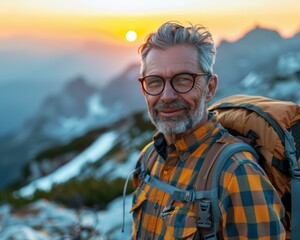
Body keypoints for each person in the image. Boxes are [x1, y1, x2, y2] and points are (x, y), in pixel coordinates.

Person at [130, 21, 286, 239]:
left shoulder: (237, 174)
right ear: (144, 89)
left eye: (183, 80)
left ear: (210, 88)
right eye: (155, 82)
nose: (167, 96)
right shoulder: (148, 158)